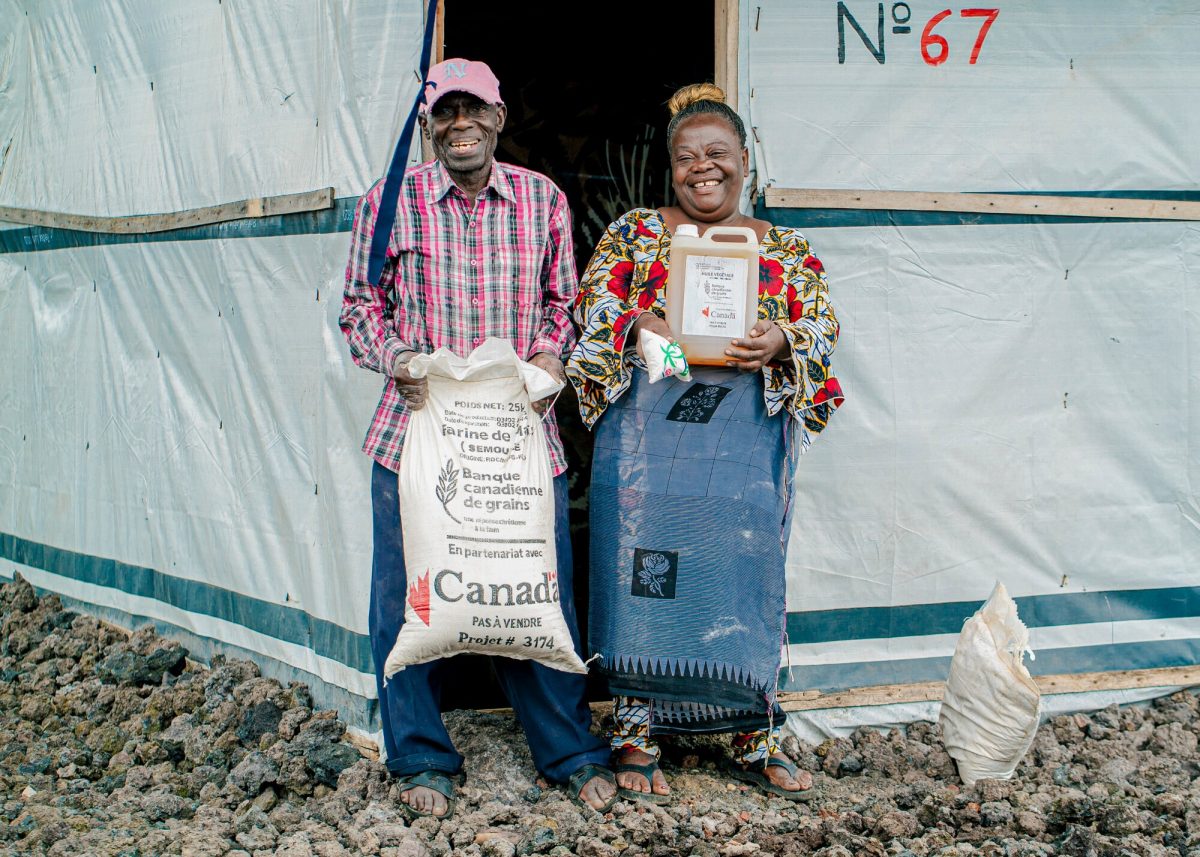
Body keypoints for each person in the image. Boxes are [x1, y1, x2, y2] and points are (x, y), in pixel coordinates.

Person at [339, 58, 616, 820]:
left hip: (514, 438)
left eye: (475, 111)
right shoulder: (389, 201)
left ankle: (569, 750)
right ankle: (422, 755)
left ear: (499, 118)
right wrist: (394, 358)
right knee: (408, 598)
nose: (460, 124)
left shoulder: (542, 202)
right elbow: (361, 305)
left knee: (532, 589)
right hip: (417, 431)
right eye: (445, 113)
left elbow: (566, 301)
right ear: (428, 124)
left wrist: (553, 357)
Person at [566, 83, 844, 804]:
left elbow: (821, 323)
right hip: (647, 456)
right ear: (672, 165)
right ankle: (635, 728)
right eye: (687, 157)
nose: (703, 168)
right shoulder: (632, 235)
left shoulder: (782, 247)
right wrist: (636, 323)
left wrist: (784, 336)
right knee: (645, 576)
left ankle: (753, 728)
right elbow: (590, 307)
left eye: (717, 153)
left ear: (745, 160)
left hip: (742, 455)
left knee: (738, 574)